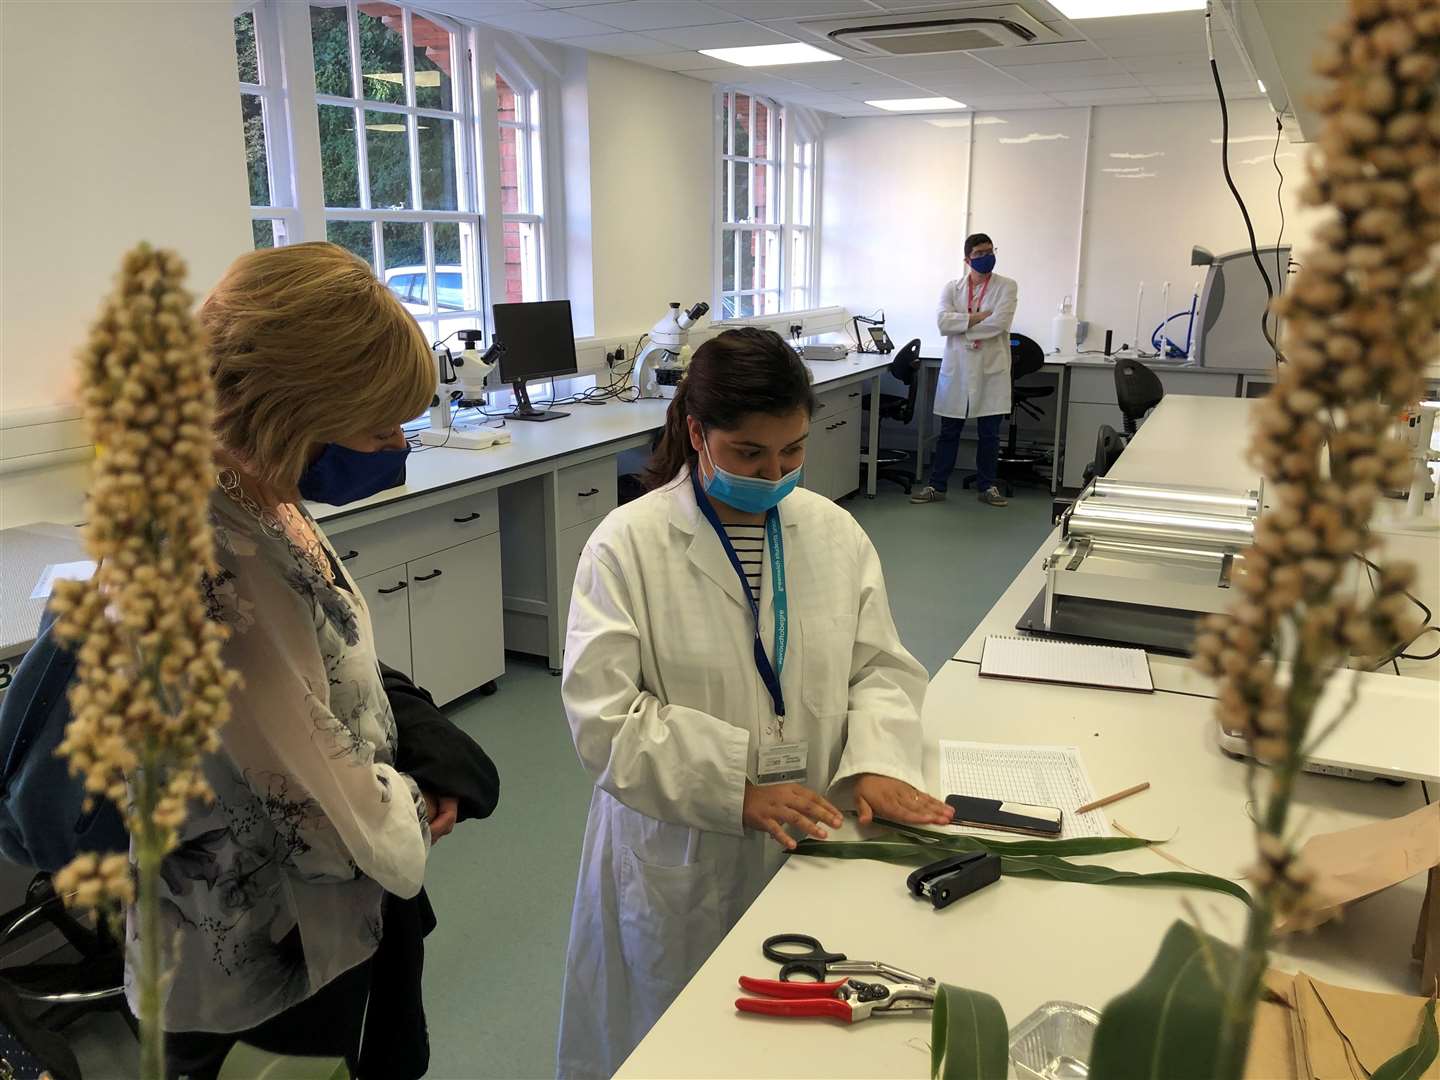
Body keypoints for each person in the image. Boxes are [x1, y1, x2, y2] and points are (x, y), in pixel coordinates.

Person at [555, 328, 953, 1079]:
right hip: (682, 846)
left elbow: (880, 669)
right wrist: (731, 786)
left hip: (810, 828)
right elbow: (604, 719)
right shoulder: (626, 546)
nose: (776, 473)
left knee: (796, 1039)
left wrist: (873, 761)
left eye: (793, 451)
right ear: (698, 434)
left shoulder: (834, 535)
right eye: (750, 454)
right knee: (675, 1037)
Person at [158, 243, 499, 1079]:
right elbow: (312, 812)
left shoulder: (255, 492)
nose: (395, 443)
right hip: (272, 956)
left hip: (334, 916)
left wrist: (418, 743)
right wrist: (417, 806)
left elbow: (332, 654)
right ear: (289, 409)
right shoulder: (212, 556)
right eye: (379, 424)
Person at [911, 233, 1019, 507]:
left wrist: (962, 326)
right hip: (958, 368)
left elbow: (999, 324)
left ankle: (987, 487)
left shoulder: (1007, 286)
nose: (986, 257)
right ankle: (937, 486)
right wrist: (975, 317)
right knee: (949, 431)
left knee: (990, 434)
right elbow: (942, 324)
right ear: (967, 259)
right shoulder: (952, 288)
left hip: (990, 369)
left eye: (989, 251)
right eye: (979, 254)